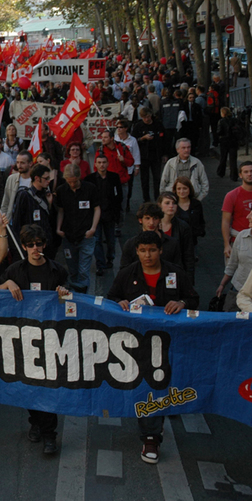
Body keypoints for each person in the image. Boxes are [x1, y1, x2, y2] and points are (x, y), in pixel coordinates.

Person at [106, 231, 198, 465]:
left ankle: (155, 425)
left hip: (170, 342)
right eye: (143, 251)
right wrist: (118, 303)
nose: (148, 255)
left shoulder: (176, 273)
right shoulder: (127, 274)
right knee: (148, 386)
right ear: (137, 252)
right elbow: (111, 298)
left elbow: (193, 298)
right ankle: (151, 438)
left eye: (152, 250)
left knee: (163, 384)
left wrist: (182, 303)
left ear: (160, 250)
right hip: (138, 343)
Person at [0, 224, 69, 455]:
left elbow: (72, 299)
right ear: (24, 247)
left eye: (39, 244)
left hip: (50, 337)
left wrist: (64, 295)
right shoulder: (15, 270)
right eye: (30, 245)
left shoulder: (57, 270)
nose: (35, 249)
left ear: (45, 245)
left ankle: (49, 435)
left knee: (47, 387)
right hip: (23, 337)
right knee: (28, 386)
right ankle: (35, 421)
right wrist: (7, 284)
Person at [55, 164, 100, 293]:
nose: (72, 185)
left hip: (86, 234)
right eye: (69, 182)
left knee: (84, 270)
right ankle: (74, 295)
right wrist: (58, 228)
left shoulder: (90, 188)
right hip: (68, 235)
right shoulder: (62, 190)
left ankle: (83, 295)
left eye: (74, 181)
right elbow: (60, 211)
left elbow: (97, 209)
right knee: (72, 269)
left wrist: (93, 228)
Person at [84, 155, 123, 275]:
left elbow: (119, 195)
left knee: (111, 239)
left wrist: (117, 212)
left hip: (109, 213)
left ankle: (110, 258)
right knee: (97, 240)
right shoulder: (90, 179)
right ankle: (100, 264)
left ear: (107, 163)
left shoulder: (114, 177)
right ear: (95, 164)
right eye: (99, 162)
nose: (102, 165)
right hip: (95, 215)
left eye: (104, 162)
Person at [10, 164, 56, 259]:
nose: (48, 181)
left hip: (46, 244)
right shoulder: (24, 195)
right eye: (46, 178)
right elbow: (17, 222)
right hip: (31, 243)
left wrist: (50, 204)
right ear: (37, 178)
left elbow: (50, 220)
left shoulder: (47, 195)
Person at [120, 203, 183, 268]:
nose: (151, 223)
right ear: (140, 220)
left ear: (159, 220)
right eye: (147, 218)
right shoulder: (130, 244)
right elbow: (124, 270)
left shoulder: (172, 244)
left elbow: (178, 268)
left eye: (155, 218)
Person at [217, 209, 252, 312]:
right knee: (229, 319)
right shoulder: (242, 236)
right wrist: (222, 285)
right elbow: (232, 264)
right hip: (237, 290)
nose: (248, 217)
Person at [157, 192, 195, 280]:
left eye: (174, 203)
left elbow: (188, 254)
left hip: (174, 271)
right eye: (167, 203)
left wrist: (189, 279)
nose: (171, 206)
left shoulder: (183, 227)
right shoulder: (153, 224)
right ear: (159, 205)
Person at [133, 108, 165, 202]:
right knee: (145, 179)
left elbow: (164, 140)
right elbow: (133, 140)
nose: (146, 119)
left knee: (157, 178)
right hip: (144, 156)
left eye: (148, 117)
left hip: (156, 155)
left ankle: (157, 198)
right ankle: (146, 199)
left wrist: (165, 154)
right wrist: (142, 138)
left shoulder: (158, 124)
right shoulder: (138, 126)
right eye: (144, 117)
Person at [222, 161, 252, 259]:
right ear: (240, 175)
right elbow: (225, 221)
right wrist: (227, 244)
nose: (249, 174)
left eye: (251, 171)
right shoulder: (231, 195)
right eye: (246, 172)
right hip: (238, 241)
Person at [114, 119, 141, 212]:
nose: (118, 129)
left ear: (126, 128)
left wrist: (137, 167)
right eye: (117, 127)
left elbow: (136, 153)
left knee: (129, 187)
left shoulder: (132, 140)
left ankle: (127, 202)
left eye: (121, 127)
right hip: (118, 169)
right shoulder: (114, 139)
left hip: (129, 169)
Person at [1, 152, 33, 218]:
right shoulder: (11, 179)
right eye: (17, 162)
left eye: (22, 163)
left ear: (30, 163)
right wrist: (3, 217)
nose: (19, 165)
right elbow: (6, 201)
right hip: (13, 218)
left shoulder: (36, 180)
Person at [173, 177, 206, 243]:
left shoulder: (196, 204)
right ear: (175, 190)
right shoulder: (172, 204)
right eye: (179, 189)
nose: (182, 191)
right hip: (175, 241)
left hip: (192, 241)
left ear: (190, 189)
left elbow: (201, 221)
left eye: (185, 188)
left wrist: (199, 231)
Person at [216, 107, 241, 181]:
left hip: (224, 141)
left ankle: (221, 172)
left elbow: (219, 131)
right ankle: (234, 175)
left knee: (223, 157)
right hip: (233, 141)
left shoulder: (221, 121)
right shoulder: (235, 120)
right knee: (233, 159)